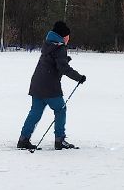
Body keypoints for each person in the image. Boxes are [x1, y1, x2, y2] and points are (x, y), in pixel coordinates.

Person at [19, 20, 87, 151]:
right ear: (63, 36)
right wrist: (79, 77)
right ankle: (59, 140)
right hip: (49, 86)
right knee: (61, 109)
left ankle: (23, 139)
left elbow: (54, 63)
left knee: (35, 112)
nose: (69, 38)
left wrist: (64, 60)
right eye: (68, 35)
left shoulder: (48, 44)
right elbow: (63, 68)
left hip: (37, 83)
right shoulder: (60, 47)